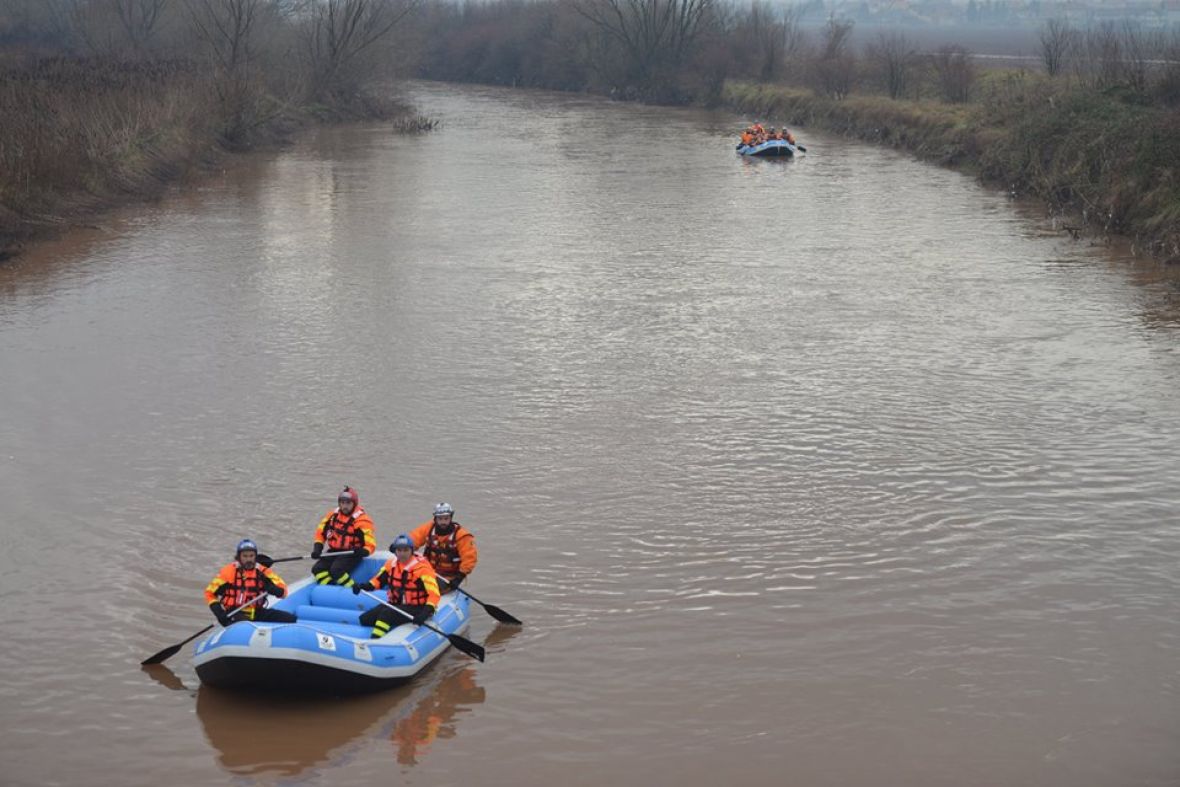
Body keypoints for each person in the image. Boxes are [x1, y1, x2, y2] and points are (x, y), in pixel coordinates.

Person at [352, 534, 440, 639]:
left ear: (412, 551)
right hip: (396, 604)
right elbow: (377, 581)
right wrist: (363, 586)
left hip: (417, 608)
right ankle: (391, 629)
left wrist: (425, 613)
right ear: (395, 551)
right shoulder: (391, 564)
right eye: (399, 550)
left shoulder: (423, 569)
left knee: (386, 614)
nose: (402, 554)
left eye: (405, 550)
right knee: (365, 619)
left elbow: (434, 594)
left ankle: (375, 640)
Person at [205, 539, 297, 625]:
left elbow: (284, 592)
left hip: (257, 612)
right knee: (246, 626)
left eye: (251, 556)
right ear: (238, 557)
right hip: (235, 612)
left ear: (255, 557)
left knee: (291, 619)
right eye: (245, 556)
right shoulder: (228, 572)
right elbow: (209, 593)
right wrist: (219, 613)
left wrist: (275, 590)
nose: (248, 559)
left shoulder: (263, 571)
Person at [310, 486, 376, 588]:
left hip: (352, 553)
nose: (345, 506)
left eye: (348, 503)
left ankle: (353, 587)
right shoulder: (332, 516)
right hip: (334, 551)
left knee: (336, 570)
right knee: (317, 569)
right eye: (342, 503)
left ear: (354, 504)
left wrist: (364, 551)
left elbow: (370, 544)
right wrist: (317, 549)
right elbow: (321, 532)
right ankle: (330, 587)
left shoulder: (362, 521)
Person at [408, 502, 477, 592]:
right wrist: (401, 545)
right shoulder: (429, 528)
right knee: (406, 579)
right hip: (428, 571)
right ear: (435, 518)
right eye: (440, 519)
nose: (443, 522)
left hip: (449, 578)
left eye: (446, 518)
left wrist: (458, 578)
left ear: (451, 518)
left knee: (424, 587)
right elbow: (413, 539)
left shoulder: (461, 535)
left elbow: (469, 559)